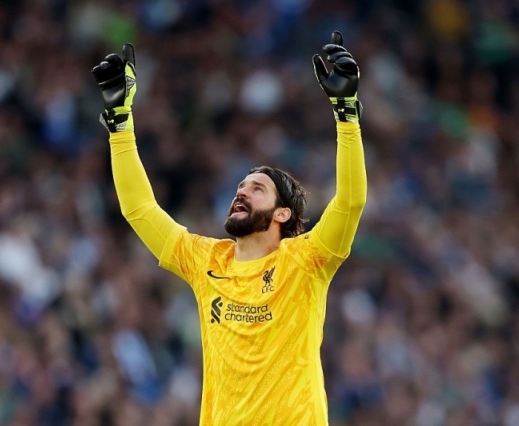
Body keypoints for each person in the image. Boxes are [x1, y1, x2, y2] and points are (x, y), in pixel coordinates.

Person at [92, 31, 367, 425]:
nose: (242, 191)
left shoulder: (306, 262)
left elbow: (351, 201)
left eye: (257, 189)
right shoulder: (207, 260)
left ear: (281, 215)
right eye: (241, 186)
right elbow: (138, 209)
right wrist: (119, 124)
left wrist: (347, 114)